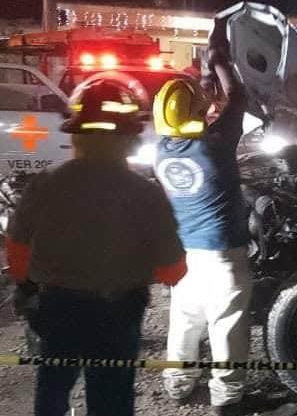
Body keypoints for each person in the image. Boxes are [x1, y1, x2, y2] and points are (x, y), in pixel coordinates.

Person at [5, 72, 187, 416]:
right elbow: (173, 269)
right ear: (131, 138)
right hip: (117, 313)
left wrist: (29, 285)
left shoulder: (46, 184)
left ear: (75, 135)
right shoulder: (145, 194)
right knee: (112, 398)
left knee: (53, 392)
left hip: (58, 308)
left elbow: (17, 250)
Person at [154, 24, 253, 416]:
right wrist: (219, 62)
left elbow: (206, 112)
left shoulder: (162, 150)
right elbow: (239, 98)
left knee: (185, 320)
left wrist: (204, 83)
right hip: (223, 255)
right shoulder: (214, 147)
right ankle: (226, 397)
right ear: (199, 113)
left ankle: (178, 383)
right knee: (227, 325)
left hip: (184, 255)